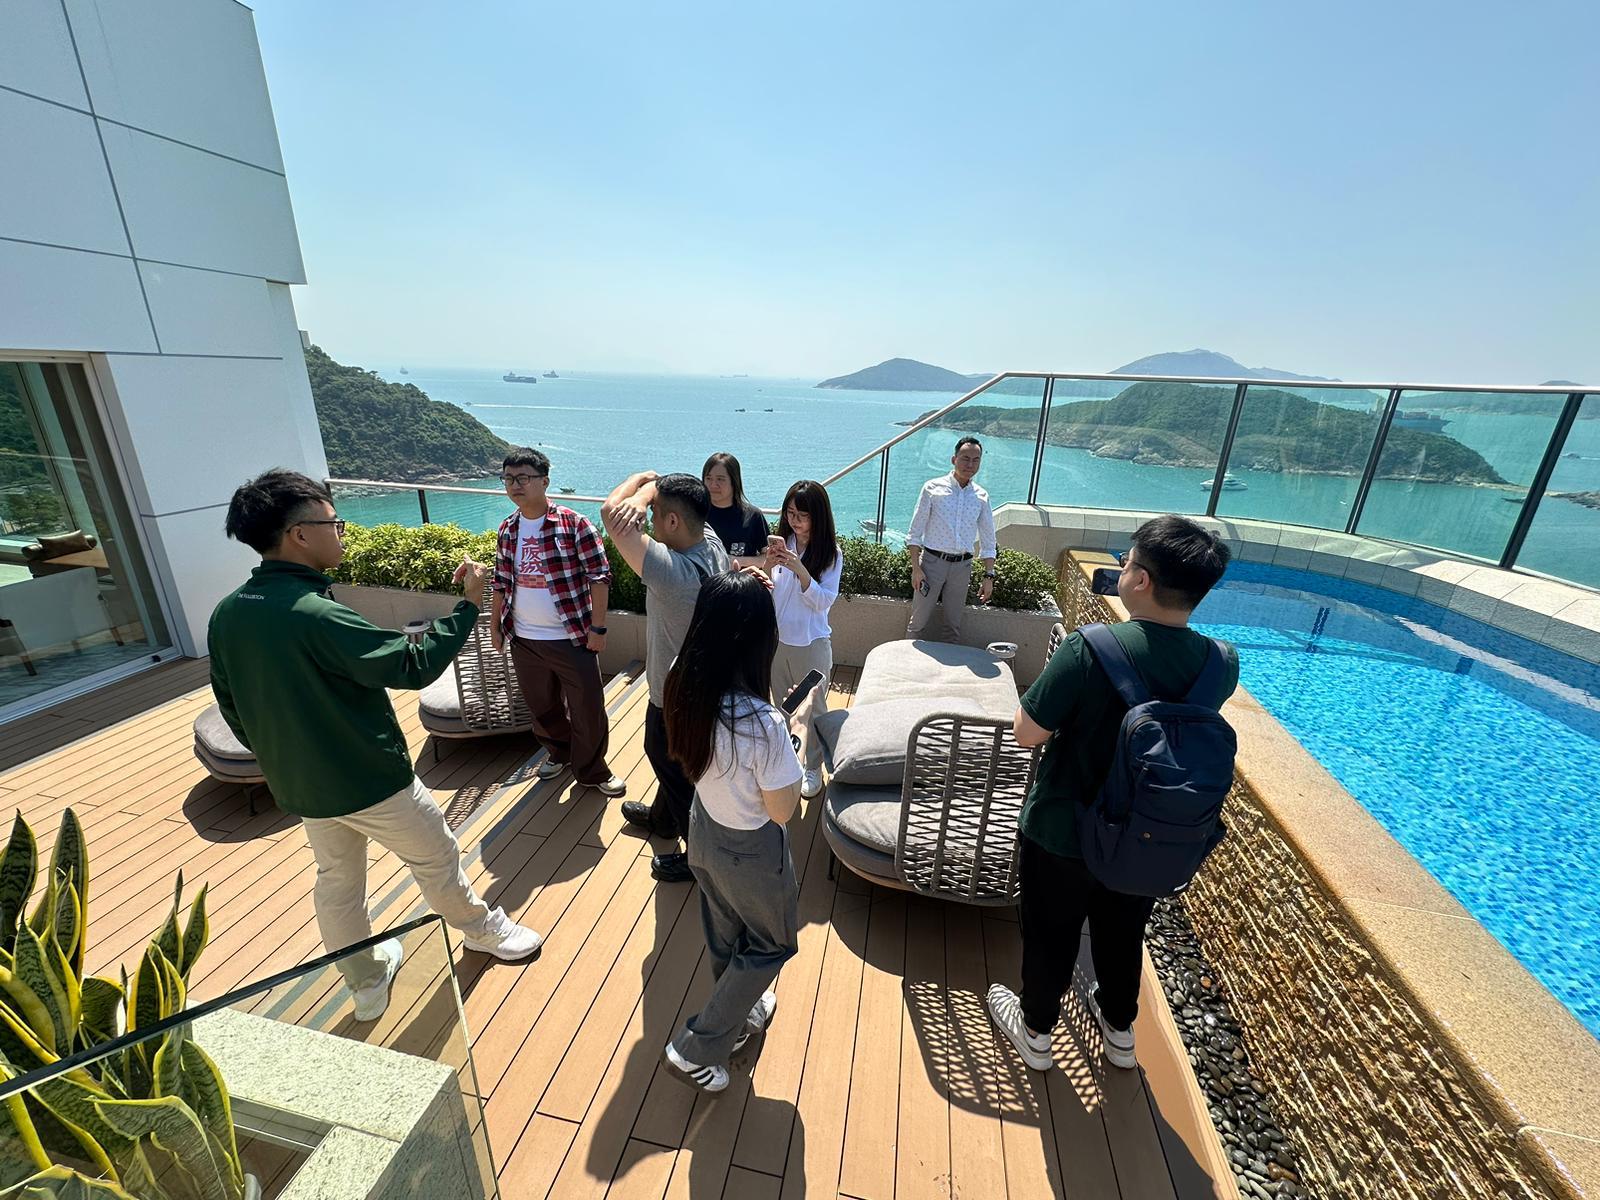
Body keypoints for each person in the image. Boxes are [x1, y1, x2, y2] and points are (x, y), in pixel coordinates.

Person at [208, 470, 542, 1023]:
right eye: (333, 522)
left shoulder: (229, 612)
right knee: (436, 857)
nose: (341, 532)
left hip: (303, 788)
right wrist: (468, 604)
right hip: (369, 779)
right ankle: (482, 930)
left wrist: (282, 759)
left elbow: (231, 705)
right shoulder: (315, 613)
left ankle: (364, 982)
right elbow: (411, 663)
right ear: (299, 535)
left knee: (337, 883)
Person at [986, 515, 1238, 1072]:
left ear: (1141, 580)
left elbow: (1028, 732)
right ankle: (1120, 1028)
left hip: (1065, 830)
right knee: (1124, 928)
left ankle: (1036, 1031)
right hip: (1149, 833)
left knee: (1051, 932)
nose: (1121, 569)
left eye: (1127, 562)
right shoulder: (1221, 663)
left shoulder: (1091, 648)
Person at [661, 571, 809, 1092]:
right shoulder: (764, 724)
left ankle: (739, 1013)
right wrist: (793, 742)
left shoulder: (681, 679)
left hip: (704, 830)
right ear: (759, 642)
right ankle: (696, 1048)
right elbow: (783, 810)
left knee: (725, 933)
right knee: (770, 944)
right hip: (751, 850)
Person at [601, 470, 730, 882]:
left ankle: (699, 858)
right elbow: (682, 499)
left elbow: (610, 512)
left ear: (672, 521)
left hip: (673, 695)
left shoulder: (672, 573)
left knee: (670, 764)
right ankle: (662, 819)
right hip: (703, 683)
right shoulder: (710, 542)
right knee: (677, 761)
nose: (649, 522)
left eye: (655, 515)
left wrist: (641, 485)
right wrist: (654, 492)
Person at [491, 448, 625, 797]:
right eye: (508, 478)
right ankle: (560, 753)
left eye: (523, 478)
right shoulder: (508, 529)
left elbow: (599, 577)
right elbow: (501, 582)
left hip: (570, 636)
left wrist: (598, 628)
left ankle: (592, 770)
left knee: (587, 708)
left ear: (545, 481)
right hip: (523, 637)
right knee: (542, 707)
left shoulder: (574, 524)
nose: (515, 485)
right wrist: (496, 627)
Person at [766, 479, 841, 799]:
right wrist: (769, 564)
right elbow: (770, 590)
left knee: (812, 708)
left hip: (810, 645)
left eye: (802, 515)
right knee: (783, 706)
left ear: (817, 516)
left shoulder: (830, 554)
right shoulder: (783, 546)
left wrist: (801, 571)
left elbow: (824, 601)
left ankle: (813, 767)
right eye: (790, 513)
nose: (794, 521)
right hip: (778, 643)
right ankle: (788, 763)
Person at [905, 436, 997, 641]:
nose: (970, 464)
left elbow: (988, 540)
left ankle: (949, 663)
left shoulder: (981, 496)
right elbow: (914, 533)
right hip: (931, 565)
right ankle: (904, 661)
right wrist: (916, 569)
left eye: (976, 460)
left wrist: (989, 576)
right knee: (917, 623)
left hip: (962, 568)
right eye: (965, 458)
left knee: (953, 627)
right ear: (954, 459)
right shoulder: (932, 488)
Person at [702, 451, 770, 567]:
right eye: (708, 478)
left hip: (741, 577)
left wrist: (736, 560)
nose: (713, 485)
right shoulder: (696, 513)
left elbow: (768, 558)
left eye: (720, 479)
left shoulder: (753, 516)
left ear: (734, 481)